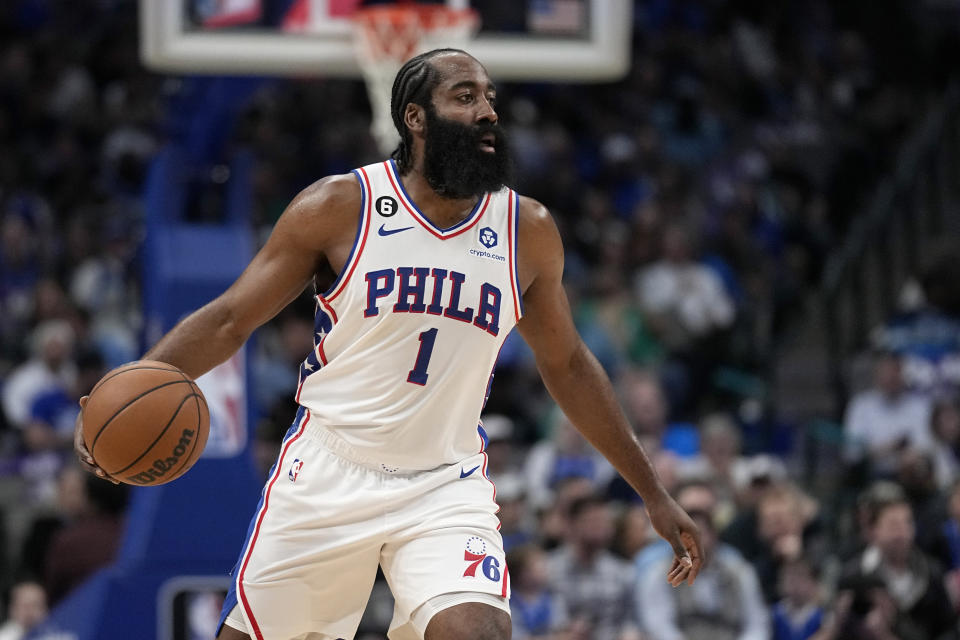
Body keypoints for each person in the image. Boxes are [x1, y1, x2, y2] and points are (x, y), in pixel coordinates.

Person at [73, 49, 702, 640]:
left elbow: (567, 364)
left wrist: (652, 491)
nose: (488, 111)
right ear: (415, 118)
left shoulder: (526, 230)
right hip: (326, 472)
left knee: (476, 631)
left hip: (442, 481)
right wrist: (131, 387)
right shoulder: (341, 206)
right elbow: (231, 319)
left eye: (489, 97)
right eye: (465, 97)